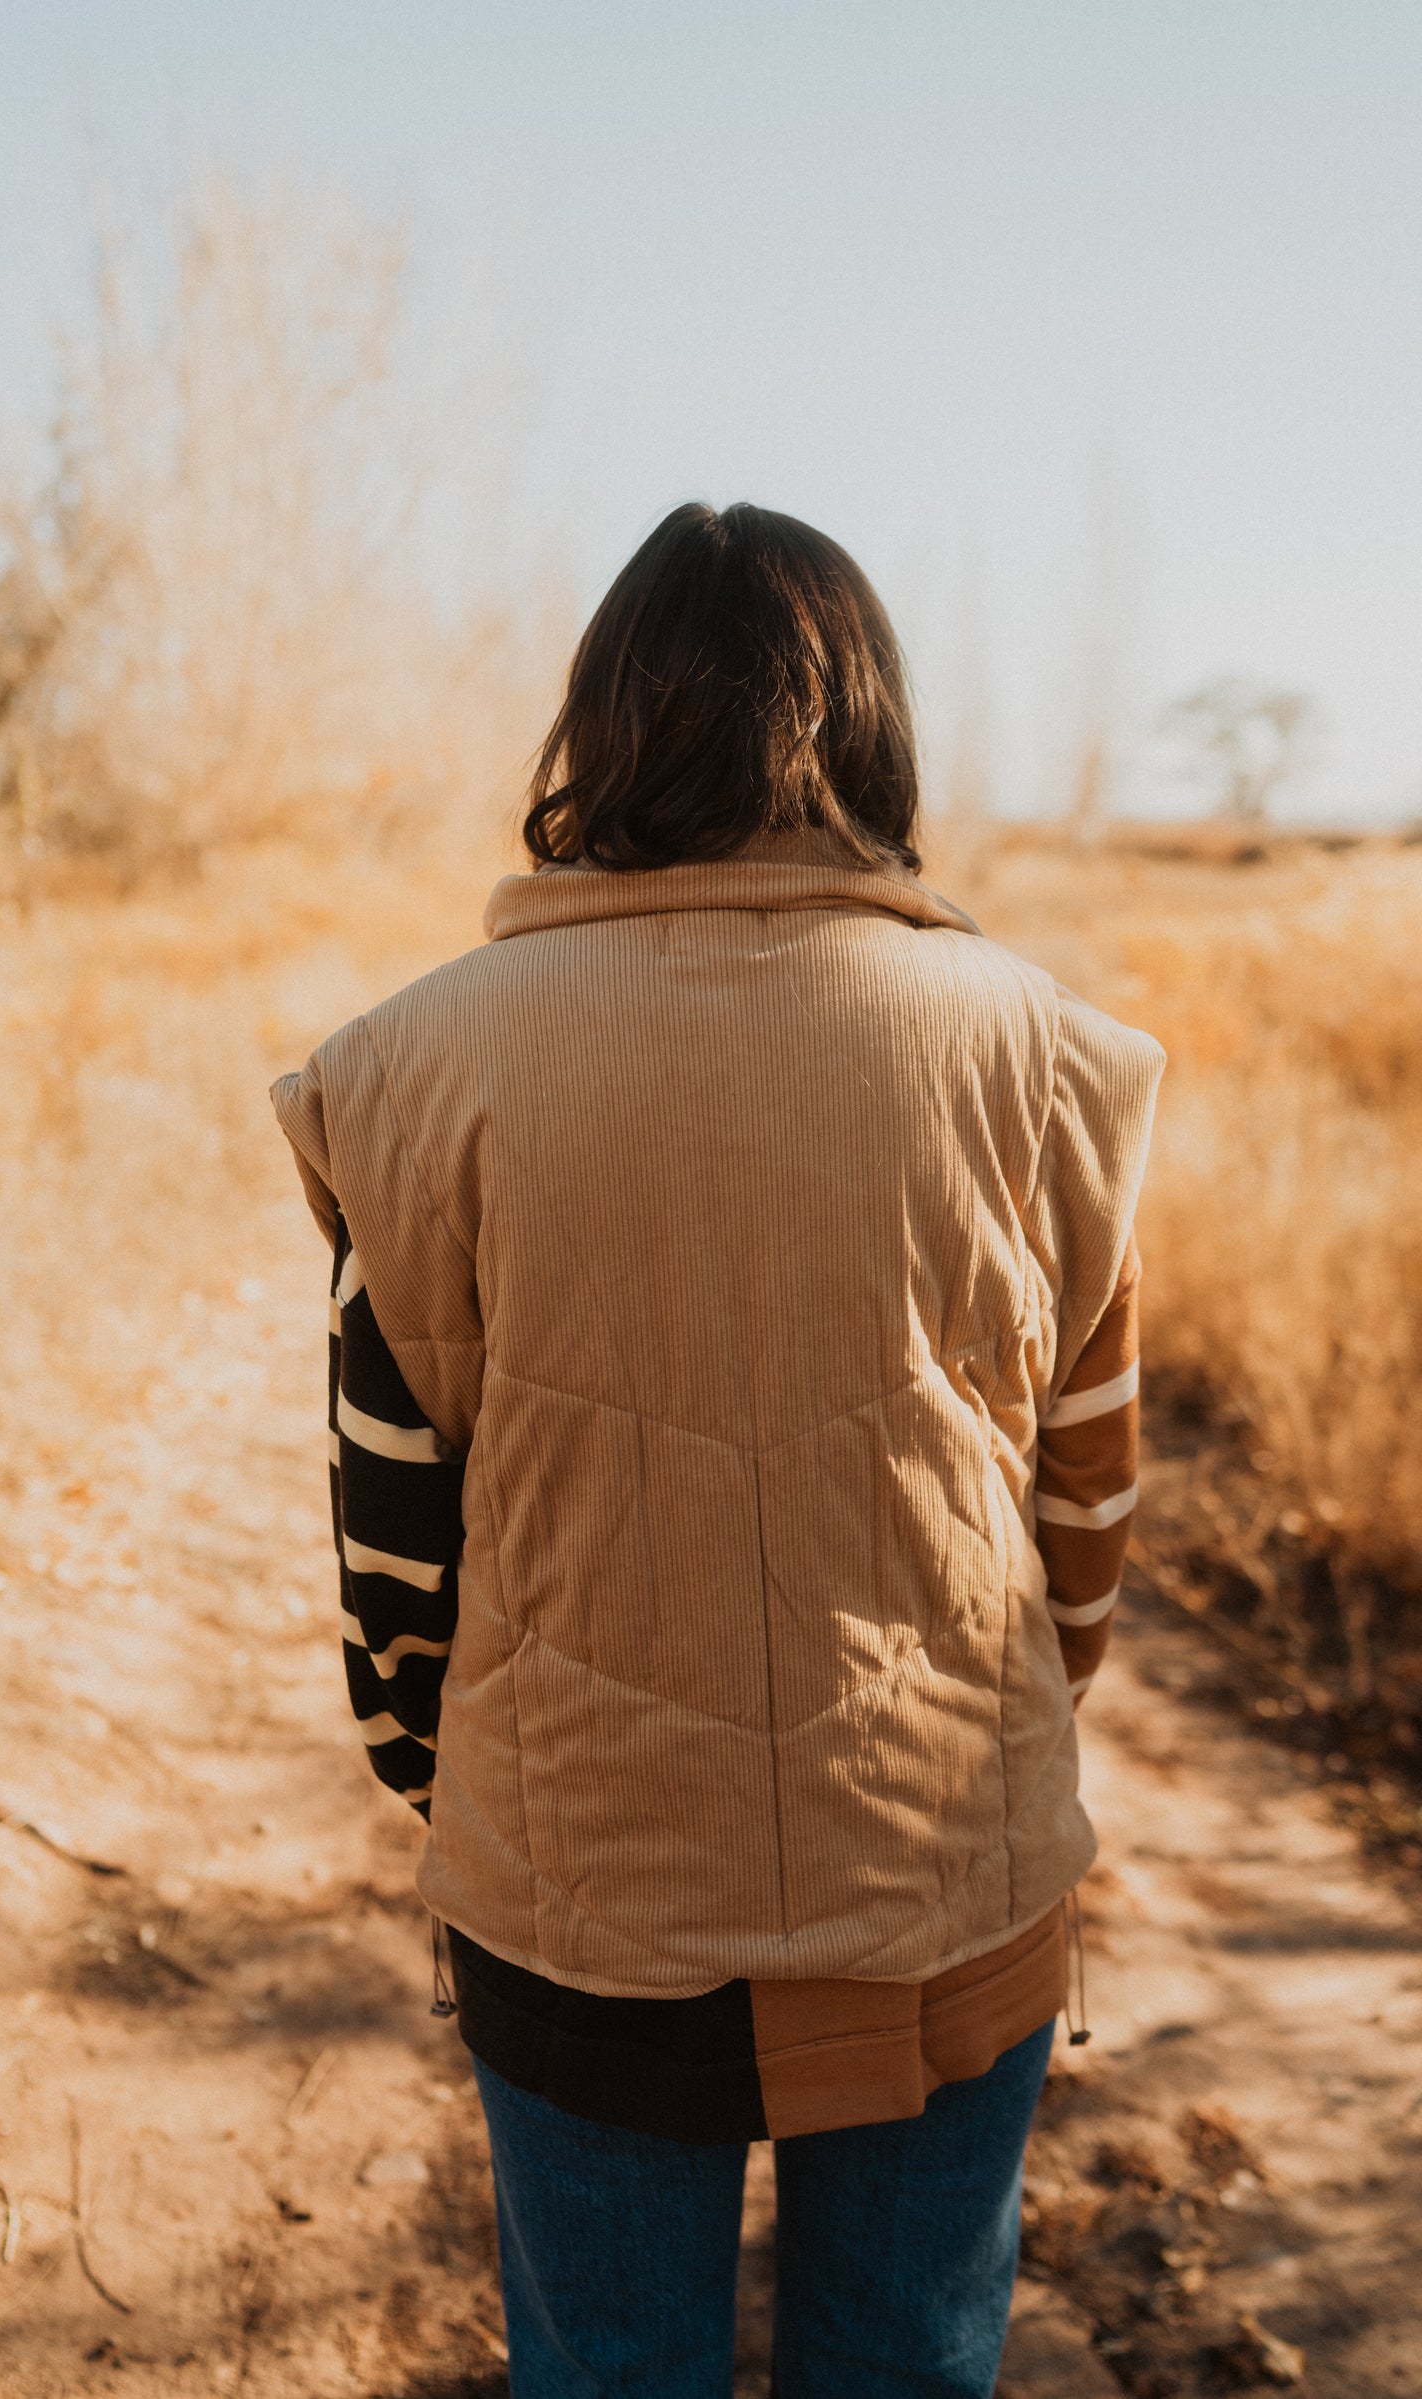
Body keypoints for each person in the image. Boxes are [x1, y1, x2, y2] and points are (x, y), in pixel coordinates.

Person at [272, 501, 1163, 2398]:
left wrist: (477, 1780)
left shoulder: (419, 1063)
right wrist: (1007, 1708)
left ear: (601, 740)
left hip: (575, 1898)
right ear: (875, 735)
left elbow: (391, 1537)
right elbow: (1084, 1504)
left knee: (609, 2379)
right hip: (949, 1873)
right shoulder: (1048, 1056)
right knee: (907, 2371)